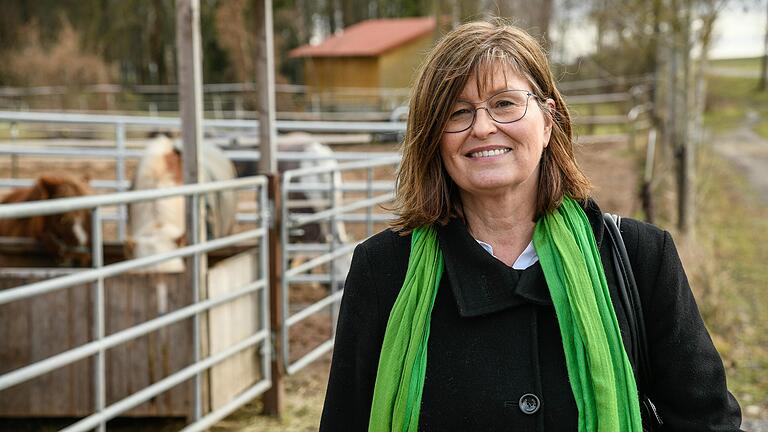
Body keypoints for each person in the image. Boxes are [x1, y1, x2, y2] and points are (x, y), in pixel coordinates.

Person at [319, 21, 742, 431]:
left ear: (547, 120)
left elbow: (707, 422)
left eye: (504, 103)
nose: (483, 127)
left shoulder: (640, 257)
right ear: (434, 137)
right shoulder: (383, 271)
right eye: (458, 112)